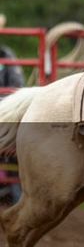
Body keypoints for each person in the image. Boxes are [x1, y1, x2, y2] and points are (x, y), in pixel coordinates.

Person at [0, 14, 25, 206]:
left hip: (4, 112)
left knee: (21, 149)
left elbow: (17, 86)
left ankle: (19, 202)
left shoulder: (5, 55)